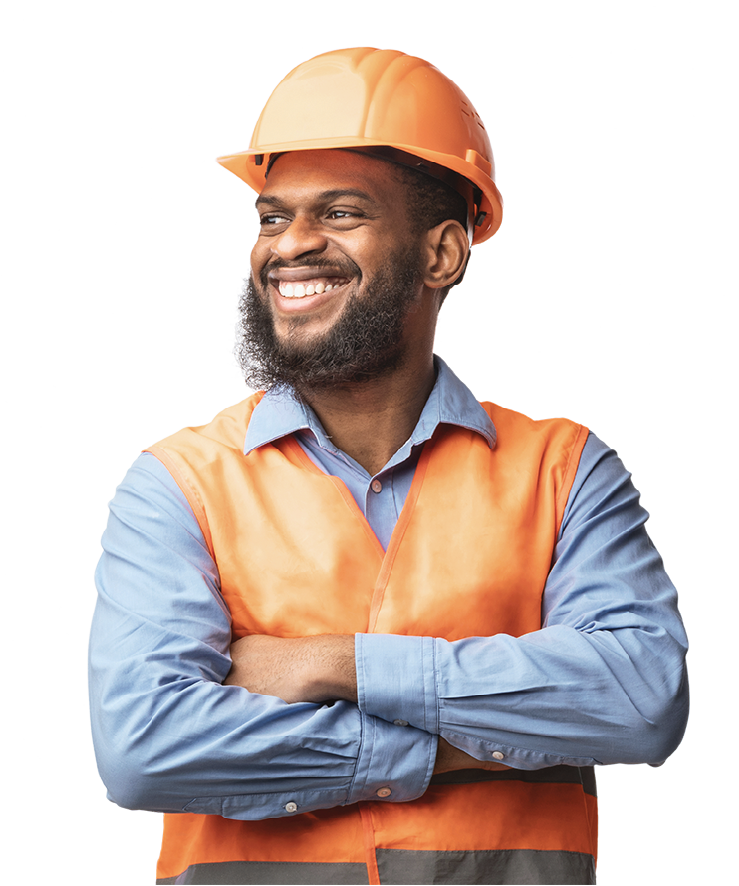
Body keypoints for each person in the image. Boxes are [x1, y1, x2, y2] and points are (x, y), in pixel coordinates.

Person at [88, 47, 689, 886]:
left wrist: (331, 665)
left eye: (338, 213)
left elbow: (638, 702)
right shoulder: (179, 480)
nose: (289, 247)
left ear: (441, 254)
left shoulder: (566, 469)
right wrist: (457, 743)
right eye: (270, 217)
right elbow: (145, 753)